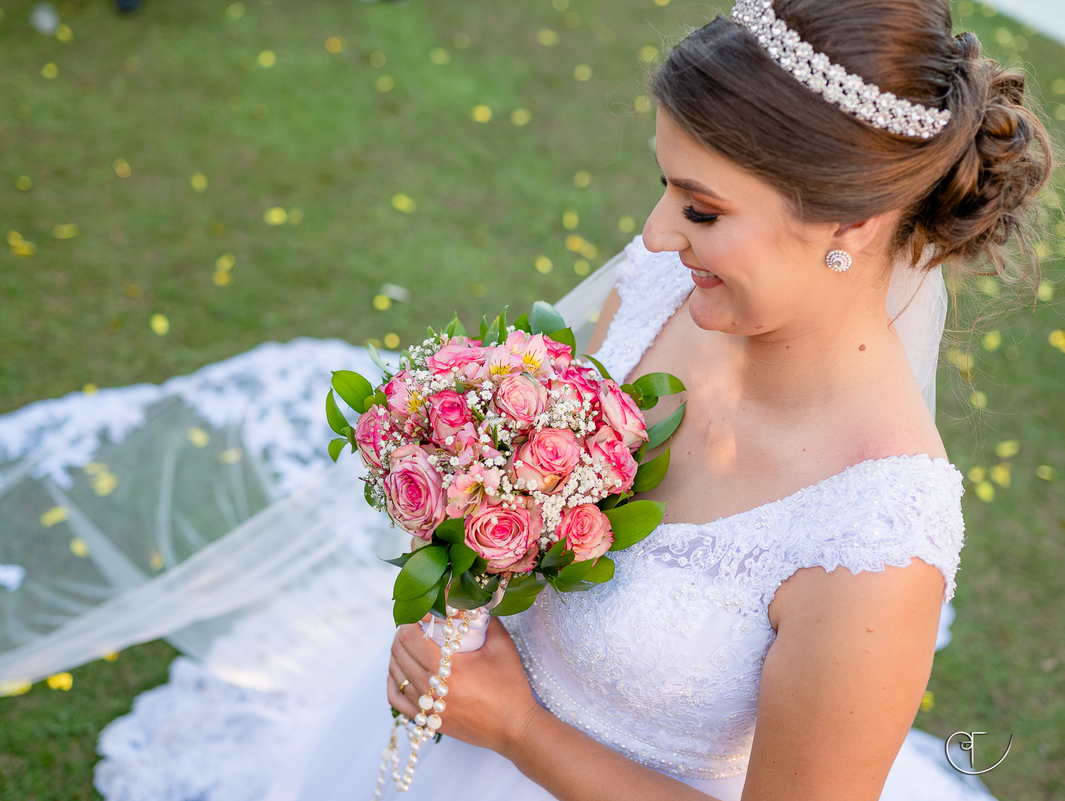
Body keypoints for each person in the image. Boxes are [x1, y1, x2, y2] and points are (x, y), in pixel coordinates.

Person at [288, 0, 1051, 799]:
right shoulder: (661, 290)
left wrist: (517, 728)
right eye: (667, 185)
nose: (654, 234)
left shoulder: (877, 540)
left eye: (701, 208)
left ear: (851, 220)